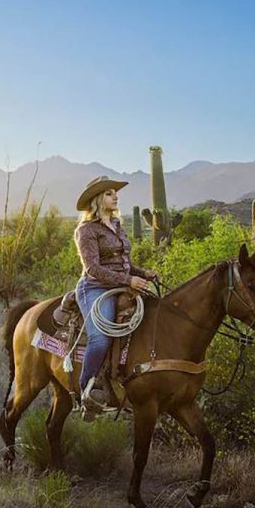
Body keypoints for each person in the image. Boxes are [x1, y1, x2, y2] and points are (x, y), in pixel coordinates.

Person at [74, 176, 158, 413]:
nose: (116, 196)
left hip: (120, 285)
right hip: (95, 287)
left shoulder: (118, 225)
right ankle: (87, 392)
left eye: (115, 193)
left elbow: (124, 263)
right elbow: (93, 268)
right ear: (98, 199)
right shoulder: (87, 230)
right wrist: (129, 280)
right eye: (110, 193)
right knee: (100, 339)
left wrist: (144, 273)